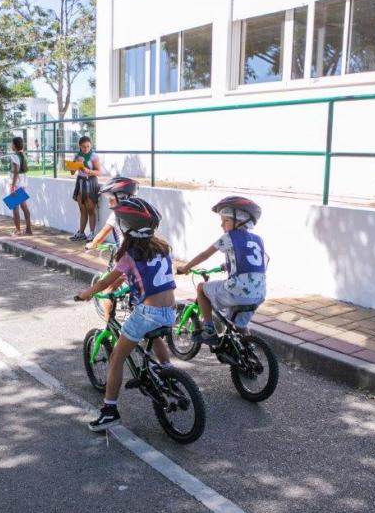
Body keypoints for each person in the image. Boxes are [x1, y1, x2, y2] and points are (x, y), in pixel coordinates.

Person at [76, 197, 176, 431]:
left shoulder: (128, 256)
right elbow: (146, 277)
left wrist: (86, 293)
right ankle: (168, 372)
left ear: (126, 227)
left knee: (116, 359)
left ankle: (109, 411)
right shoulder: (163, 249)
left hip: (148, 312)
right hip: (170, 311)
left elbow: (105, 283)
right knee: (154, 335)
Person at [176, 196, 267, 345]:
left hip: (238, 290)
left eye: (226, 220)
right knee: (238, 326)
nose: (222, 225)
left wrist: (185, 268)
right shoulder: (258, 239)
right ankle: (248, 353)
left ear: (240, 221)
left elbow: (204, 255)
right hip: (259, 293)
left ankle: (209, 329)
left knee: (201, 289)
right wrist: (228, 266)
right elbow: (254, 262)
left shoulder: (229, 237)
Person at [84, 176, 138, 319]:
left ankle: (109, 326)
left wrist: (93, 244)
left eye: (111, 197)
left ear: (121, 197)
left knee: (108, 290)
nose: (109, 200)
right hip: (143, 256)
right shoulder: (139, 210)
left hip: (128, 258)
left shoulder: (117, 214)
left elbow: (102, 234)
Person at [69, 135, 100, 242]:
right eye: (83, 147)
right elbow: (72, 172)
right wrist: (74, 165)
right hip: (80, 182)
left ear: (90, 145)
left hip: (90, 182)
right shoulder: (77, 156)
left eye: (88, 146)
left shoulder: (94, 156)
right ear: (80, 146)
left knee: (91, 209)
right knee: (82, 209)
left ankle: (92, 233)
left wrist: (89, 171)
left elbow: (98, 172)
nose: (86, 149)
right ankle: (81, 233)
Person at [9, 136, 32, 236]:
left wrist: (12, 186)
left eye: (12, 143)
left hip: (16, 184)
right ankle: (28, 229)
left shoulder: (14, 156)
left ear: (15, 145)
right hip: (23, 184)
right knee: (24, 207)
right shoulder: (23, 155)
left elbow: (16, 172)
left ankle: (18, 230)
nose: (11, 145)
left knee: (15, 208)